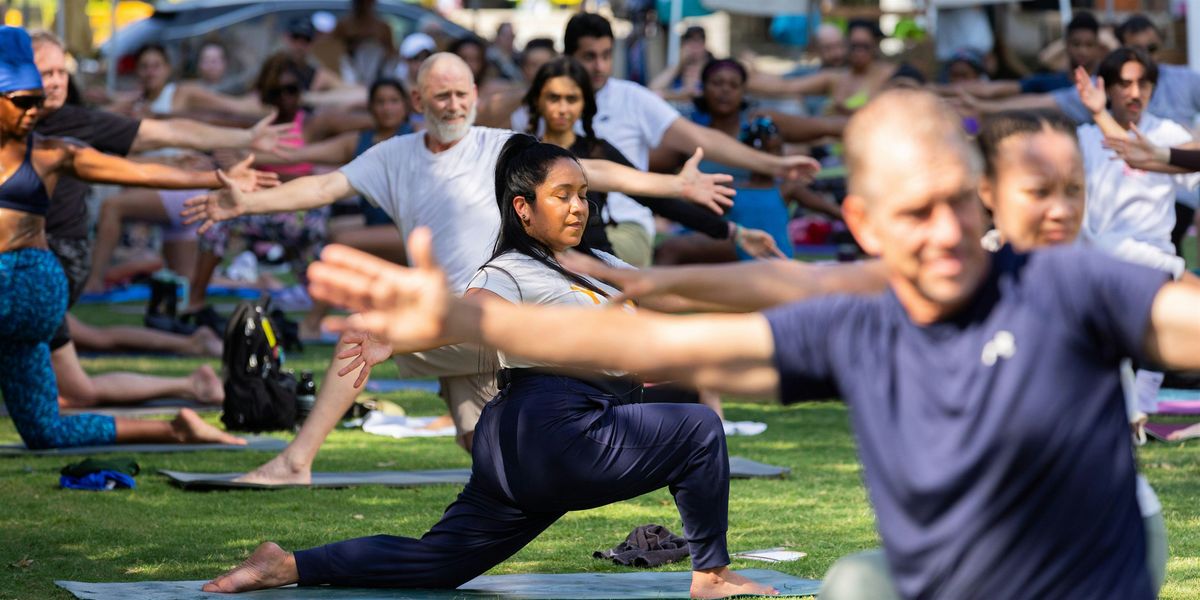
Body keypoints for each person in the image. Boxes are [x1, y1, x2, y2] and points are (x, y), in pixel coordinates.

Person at [301, 89, 1200, 598]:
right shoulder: (858, 327)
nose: (945, 233)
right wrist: (469, 322)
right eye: (914, 213)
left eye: (958, 205)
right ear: (863, 222)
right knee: (856, 583)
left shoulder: (1067, 287)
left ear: (985, 202)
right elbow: (679, 348)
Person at [202, 134, 778, 599]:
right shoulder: (509, 269)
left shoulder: (597, 262)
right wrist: (396, 337)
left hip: (525, 442)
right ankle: (712, 576)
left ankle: (285, 565)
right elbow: (469, 315)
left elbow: (660, 306)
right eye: (562, 195)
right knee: (698, 429)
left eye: (583, 194)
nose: (579, 206)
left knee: (436, 563)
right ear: (523, 209)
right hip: (554, 430)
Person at [181, 53, 778, 483]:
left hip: (499, 307)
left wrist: (673, 183)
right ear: (418, 102)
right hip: (462, 318)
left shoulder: (500, 145)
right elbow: (321, 187)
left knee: (365, 330)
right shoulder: (392, 156)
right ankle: (555, 473)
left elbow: (592, 171)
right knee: (479, 440)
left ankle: (295, 462)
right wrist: (247, 200)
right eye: (441, 95)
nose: (455, 104)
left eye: (463, 92)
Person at [0, 26, 244, 449]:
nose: (32, 112)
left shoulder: (52, 152)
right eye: (22, 102)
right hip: (24, 297)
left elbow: (141, 172)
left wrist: (215, 179)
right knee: (45, 430)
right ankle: (174, 428)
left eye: (37, 103)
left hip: (28, 287)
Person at [525, 13, 820, 267]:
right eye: (589, 56)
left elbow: (637, 183)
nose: (600, 66)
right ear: (538, 101)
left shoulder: (615, 122)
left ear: (584, 107)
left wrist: (773, 171)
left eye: (606, 55)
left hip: (611, 233)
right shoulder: (524, 140)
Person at [524, 56, 782, 260]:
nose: (562, 108)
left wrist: (732, 232)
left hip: (595, 261)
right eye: (553, 98)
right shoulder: (522, 152)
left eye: (572, 99)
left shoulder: (597, 151)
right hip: (539, 262)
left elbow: (655, 199)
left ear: (584, 104)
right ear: (538, 101)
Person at [251, 78, 414, 338]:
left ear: (406, 105)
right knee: (331, 230)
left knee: (340, 243)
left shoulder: (420, 138)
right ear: (370, 108)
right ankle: (362, 316)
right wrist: (248, 157)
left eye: (393, 101)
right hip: (382, 229)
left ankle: (312, 323)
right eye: (380, 102)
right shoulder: (357, 141)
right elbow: (298, 155)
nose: (387, 108)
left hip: (414, 232)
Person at [652, 58, 843, 265]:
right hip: (711, 231)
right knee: (670, 250)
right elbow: (647, 171)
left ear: (744, 91)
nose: (725, 90)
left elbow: (824, 127)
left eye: (733, 85)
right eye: (717, 83)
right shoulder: (688, 134)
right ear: (703, 87)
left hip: (747, 240)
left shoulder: (760, 123)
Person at [747, 19, 897, 116]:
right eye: (854, 46)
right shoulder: (835, 76)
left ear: (875, 46)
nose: (859, 52)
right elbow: (787, 85)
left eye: (865, 46)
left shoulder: (889, 74)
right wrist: (741, 80)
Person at [648, 25, 711, 103]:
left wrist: (671, 96)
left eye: (698, 41)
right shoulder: (678, 70)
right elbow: (652, 89)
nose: (694, 47)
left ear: (704, 45)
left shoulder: (711, 69)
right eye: (690, 42)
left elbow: (698, 94)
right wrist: (678, 63)